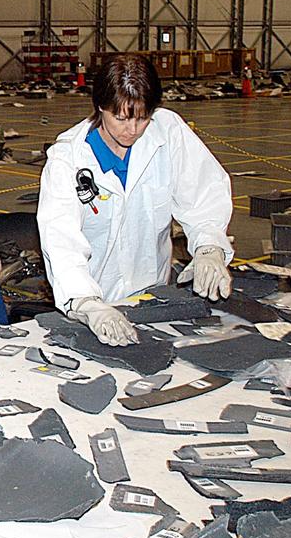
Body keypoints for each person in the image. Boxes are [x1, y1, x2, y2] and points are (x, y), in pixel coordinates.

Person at [36, 55, 233, 346]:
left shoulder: (168, 133)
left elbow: (203, 194)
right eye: (121, 117)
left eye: (142, 117)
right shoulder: (68, 160)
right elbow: (61, 241)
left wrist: (209, 247)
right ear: (100, 106)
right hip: (96, 306)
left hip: (153, 301)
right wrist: (89, 305)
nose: (132, 129)